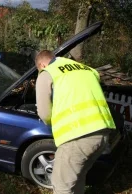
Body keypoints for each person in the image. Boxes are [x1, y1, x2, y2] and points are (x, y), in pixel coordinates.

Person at [35, 50, 116, 194]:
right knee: (77, 178)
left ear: (41, 65)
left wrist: (51, 122)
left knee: (61, 186)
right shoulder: (86, 69)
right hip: (102, 133)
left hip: (78, 136)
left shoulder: (48, 73)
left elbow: (45, 113)